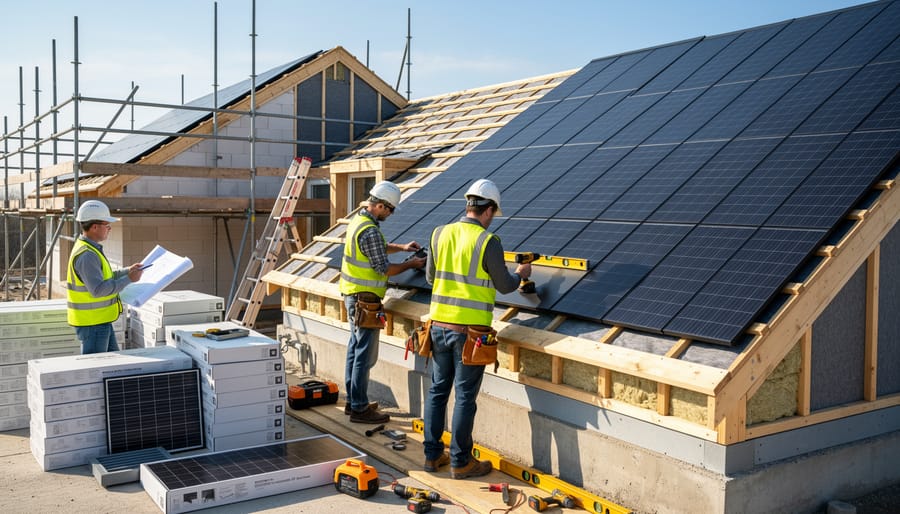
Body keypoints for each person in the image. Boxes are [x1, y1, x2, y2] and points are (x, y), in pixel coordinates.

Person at [423, 178, 532, 479]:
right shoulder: (488, 242)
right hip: (470, 334)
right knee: (465, 397)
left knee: (437, 392)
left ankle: (432, 457)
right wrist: (521, 274)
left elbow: (431, 278)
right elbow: (505, 286)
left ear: (469, 204)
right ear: (489, 210)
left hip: (438, 326)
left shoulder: (439, 233)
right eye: (495, 214)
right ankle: (460, 462)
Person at [339, 181, 426, 424]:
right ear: (379, 205)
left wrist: (401, 248)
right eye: (390, 210)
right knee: (364, 355)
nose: (390, 214)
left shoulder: (359, 222)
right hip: (364, 300)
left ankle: (353, 401)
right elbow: (383, 268)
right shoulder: (369, 230)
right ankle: (359, 408)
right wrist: (411, 264)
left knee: (354, 350)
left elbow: (376, 250)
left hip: (353, 295)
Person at [67, 200, 145, 354]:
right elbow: (99, 289)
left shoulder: (90, 249)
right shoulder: (87, 255)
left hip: (99, 321)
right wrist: (129, 279)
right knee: (97, 369)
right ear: (95, 227)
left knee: (111, 364)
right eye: (107, 224)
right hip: (93, 324)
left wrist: (127, 271)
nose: (109, 228)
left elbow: (106, 277)